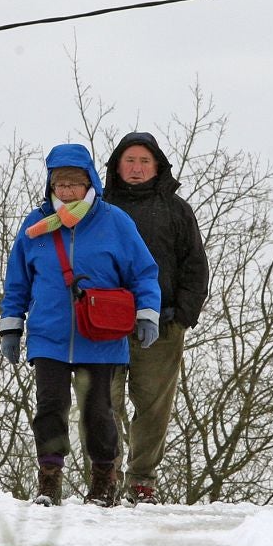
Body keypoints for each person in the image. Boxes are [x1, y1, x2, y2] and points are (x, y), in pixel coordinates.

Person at [0, 143, 162, 506]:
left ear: (90, 182)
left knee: (98, 411)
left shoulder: (115, 222)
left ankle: (104, 479)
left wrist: (147, 313)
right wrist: (11, 326)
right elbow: (17, 282)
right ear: (50, 185)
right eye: (60, 184)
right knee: (50, 408)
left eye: (74, 183)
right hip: (48, 335)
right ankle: (49, 479)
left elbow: (144, 273)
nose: (67, 191)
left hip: (101, 336)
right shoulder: (36, 225)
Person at [101, 132, 209, 504]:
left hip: (162, 325)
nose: (136, 168)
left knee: (153, 406)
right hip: (100, 325)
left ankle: (142, 480)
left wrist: (183, 316)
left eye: (144, 162)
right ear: (117, 165)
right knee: (102, 401)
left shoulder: (177, 210)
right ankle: (105, 476)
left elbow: (195, 265)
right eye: (129, 161)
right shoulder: (97, 206)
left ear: (157, 166)